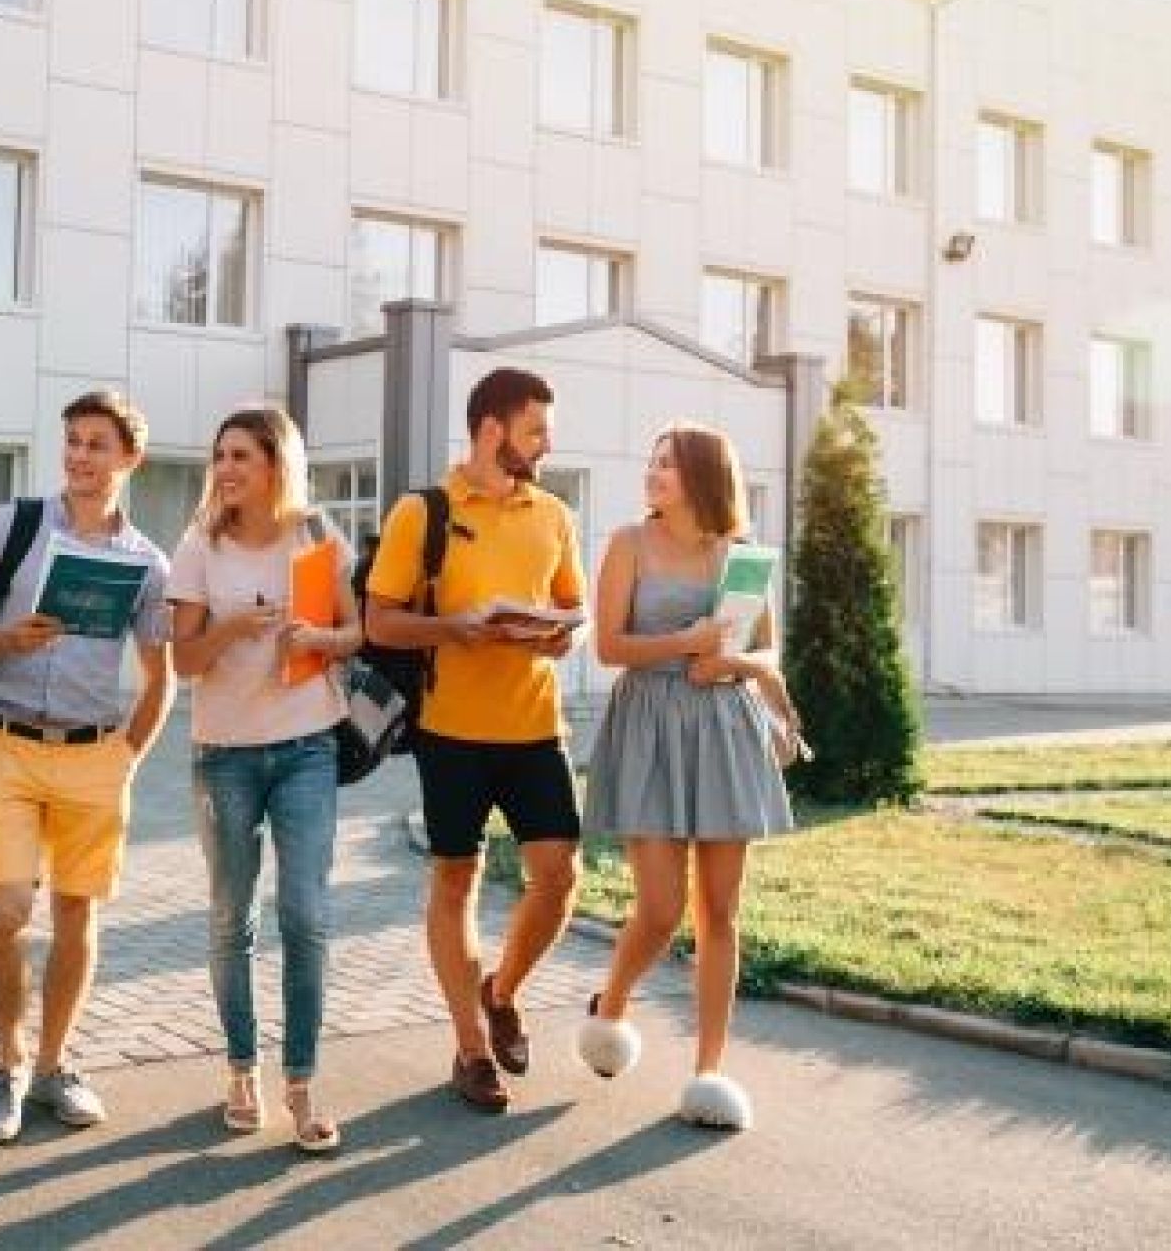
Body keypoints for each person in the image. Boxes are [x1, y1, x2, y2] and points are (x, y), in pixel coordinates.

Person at [0, 390, 175, 1145]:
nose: (78, 455)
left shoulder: (146, 563)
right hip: (5, 743)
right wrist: (9, 641)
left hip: (92, 755)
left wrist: (127, 758)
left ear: (129, 459)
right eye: (72, 440)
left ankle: (52, 1064)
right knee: (8, 910)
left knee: (78, 912)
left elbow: (160, 673)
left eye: (96, 444)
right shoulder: (9, 527)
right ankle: (6, 1065)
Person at [365, 367, 590, 1113]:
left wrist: (556, 638)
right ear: (493, 429)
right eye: (536, 430)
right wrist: (451, 629)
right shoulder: (421, 512)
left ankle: (502, 992)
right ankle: (469, 1050)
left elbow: (570, 607)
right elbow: (380, 621)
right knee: (455, 881)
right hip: (450, 733)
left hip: (534, 727)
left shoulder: (553, 514)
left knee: (559, 877)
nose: (547, 443)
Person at [575, 423, 795, 1132]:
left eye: (665, 464)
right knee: (663, 906)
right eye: (651, 462)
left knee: (721, 912)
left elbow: (767, 649)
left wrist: (725, 662)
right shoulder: (627, 545)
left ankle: (709, 1070)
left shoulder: (741, 556)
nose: (652, 473)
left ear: (701, 476)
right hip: (649, 727)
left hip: (725, 729)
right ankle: (611, 1007)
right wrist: (687, 643)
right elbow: (609, 648)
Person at [167, 405, 360, 1153]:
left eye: (241, 455)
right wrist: (234, 630)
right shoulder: (198, 547)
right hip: (225, 754)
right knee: (230, 917)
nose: (225, 469)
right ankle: (242, 1067)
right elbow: (182, 661)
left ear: (277, 463)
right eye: (220, 456)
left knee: (306, 915)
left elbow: (357, 630)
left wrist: (320, 639)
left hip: (307, 746)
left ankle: (302, 1080)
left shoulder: (315, 535)